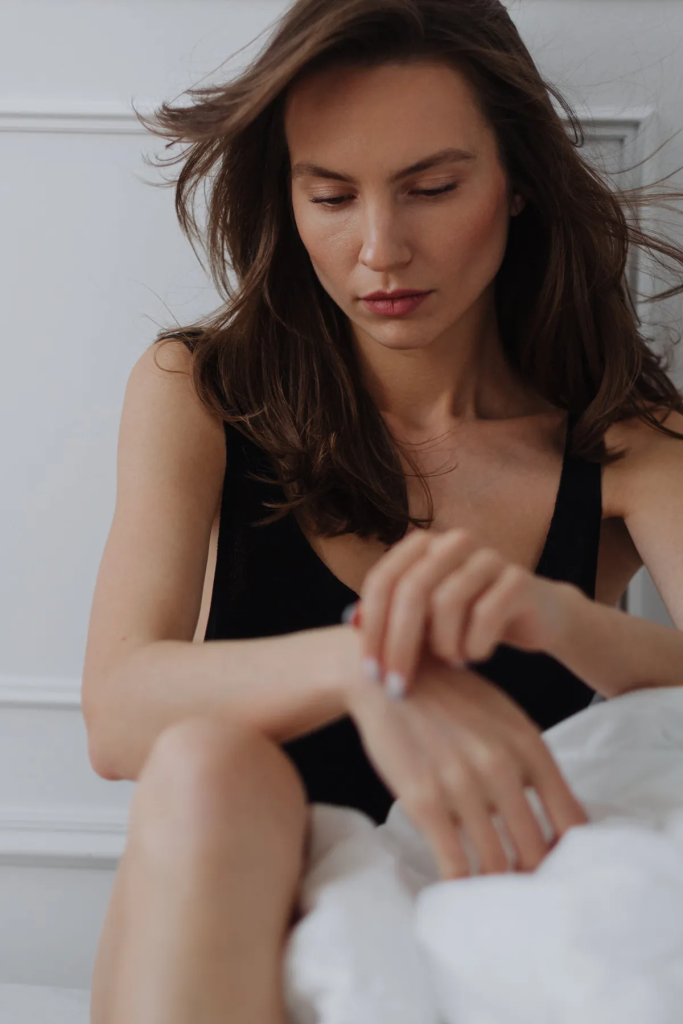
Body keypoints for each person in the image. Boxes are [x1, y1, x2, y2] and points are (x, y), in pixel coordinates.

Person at [82, 0, 683, 1021]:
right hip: (230, 926)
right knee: (206, 757)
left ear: (516, 181)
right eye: (329, 196)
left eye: (431, 189)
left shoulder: (625, 442)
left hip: (475, 947)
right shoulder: (201, 391)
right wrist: (372, 670)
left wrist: (556, 619)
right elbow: (117, 714)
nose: (379, 249)